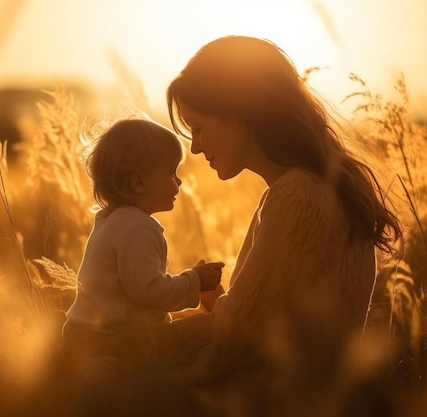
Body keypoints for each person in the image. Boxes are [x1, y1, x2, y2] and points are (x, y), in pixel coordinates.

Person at [138, 35, 403, 416]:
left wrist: (134, 346)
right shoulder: (307, 188)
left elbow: (239, 334)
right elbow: (257, 320)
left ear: (239, 116)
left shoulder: (298, 196)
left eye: (198, 128)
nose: (195, 148)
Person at [62, 117, 224, 397]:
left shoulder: (112, 220)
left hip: (92, 337)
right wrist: (194, 281)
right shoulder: (137, 228)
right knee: (127, 399)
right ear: (139, 182)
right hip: (111, 348)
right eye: (171, 173)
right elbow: (147, 291)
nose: (179, 181)